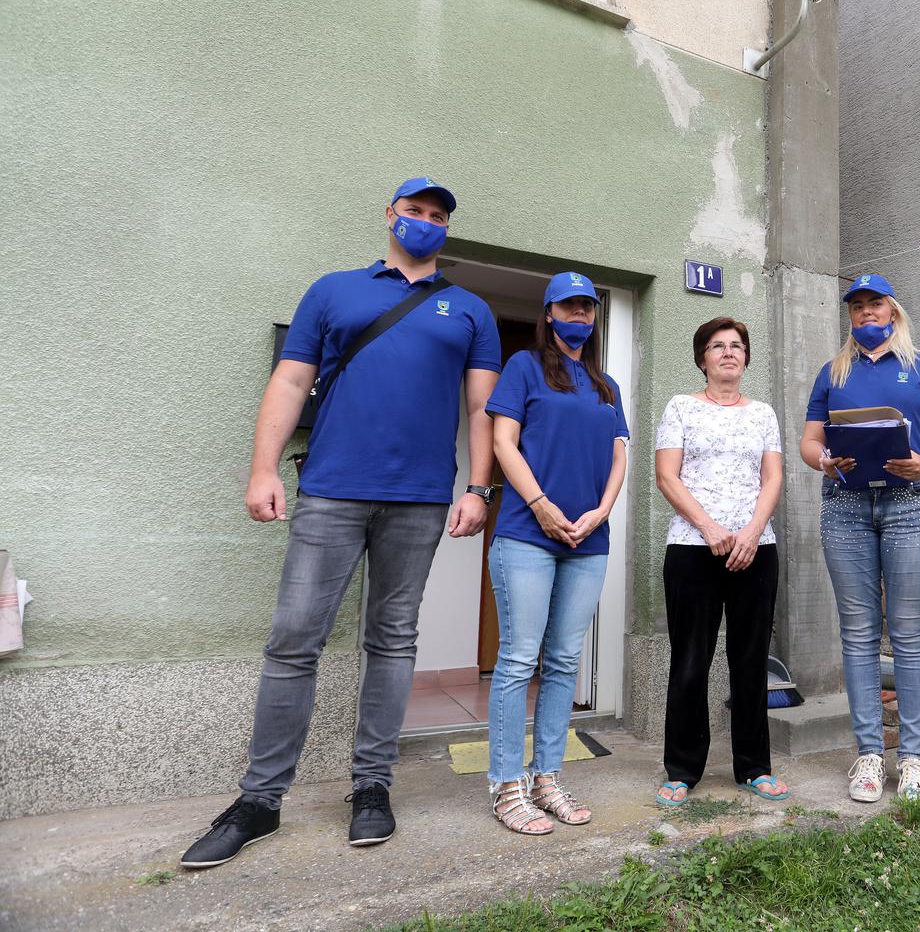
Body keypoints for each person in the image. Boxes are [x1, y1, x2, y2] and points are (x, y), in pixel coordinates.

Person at [182, 177, 501, 869]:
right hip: (330, 491)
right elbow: (291, 380)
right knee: (294, 641)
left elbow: (483, 408)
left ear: (447, 229)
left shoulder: (471, 309)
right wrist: (262, 469)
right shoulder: (333, 291)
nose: (425, 221)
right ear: (390, 216)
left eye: (438, 215)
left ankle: (371, 787)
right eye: (414, 210)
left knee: (392, 640)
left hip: (419, 498)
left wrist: (479, 488)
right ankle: (260, 800)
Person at [799, 272, 920, 803]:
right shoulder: (833, 372)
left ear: (893, 310)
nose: (866, 312)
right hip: (845, 507)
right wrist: (824, 461)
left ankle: (914, 760)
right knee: (859, 634)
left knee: (910, 634)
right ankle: (869, 755)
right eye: (857, 306)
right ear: (850, 316)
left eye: (875, 304)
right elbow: (809, 441)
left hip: (910, 503)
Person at [481, 271, 629, 836]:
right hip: (527, 533)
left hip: (588, 538)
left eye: (587, 308)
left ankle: (547, 777)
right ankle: (506, 784)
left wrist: (603, 510)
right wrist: (541, 505)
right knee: (519, 659)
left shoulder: (605, 385)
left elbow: (619, 454)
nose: (579, 316)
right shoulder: (523, 367)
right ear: (549, 314)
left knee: (564, 660)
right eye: (568, 307)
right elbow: (502, 442)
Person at [653, 318, 787, 807]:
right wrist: (709, 527)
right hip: (693, 549)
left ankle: (754, 767)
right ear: (702, 358)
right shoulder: (680, 407)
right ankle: (682, 769)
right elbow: (667, 476)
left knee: (750, 661)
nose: (729, 352)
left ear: (746, 358)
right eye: (717, 346)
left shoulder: (763, 413)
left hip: (756, 549)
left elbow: (772, 478)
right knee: (691, 660)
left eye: (737, 346)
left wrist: (751, 532)